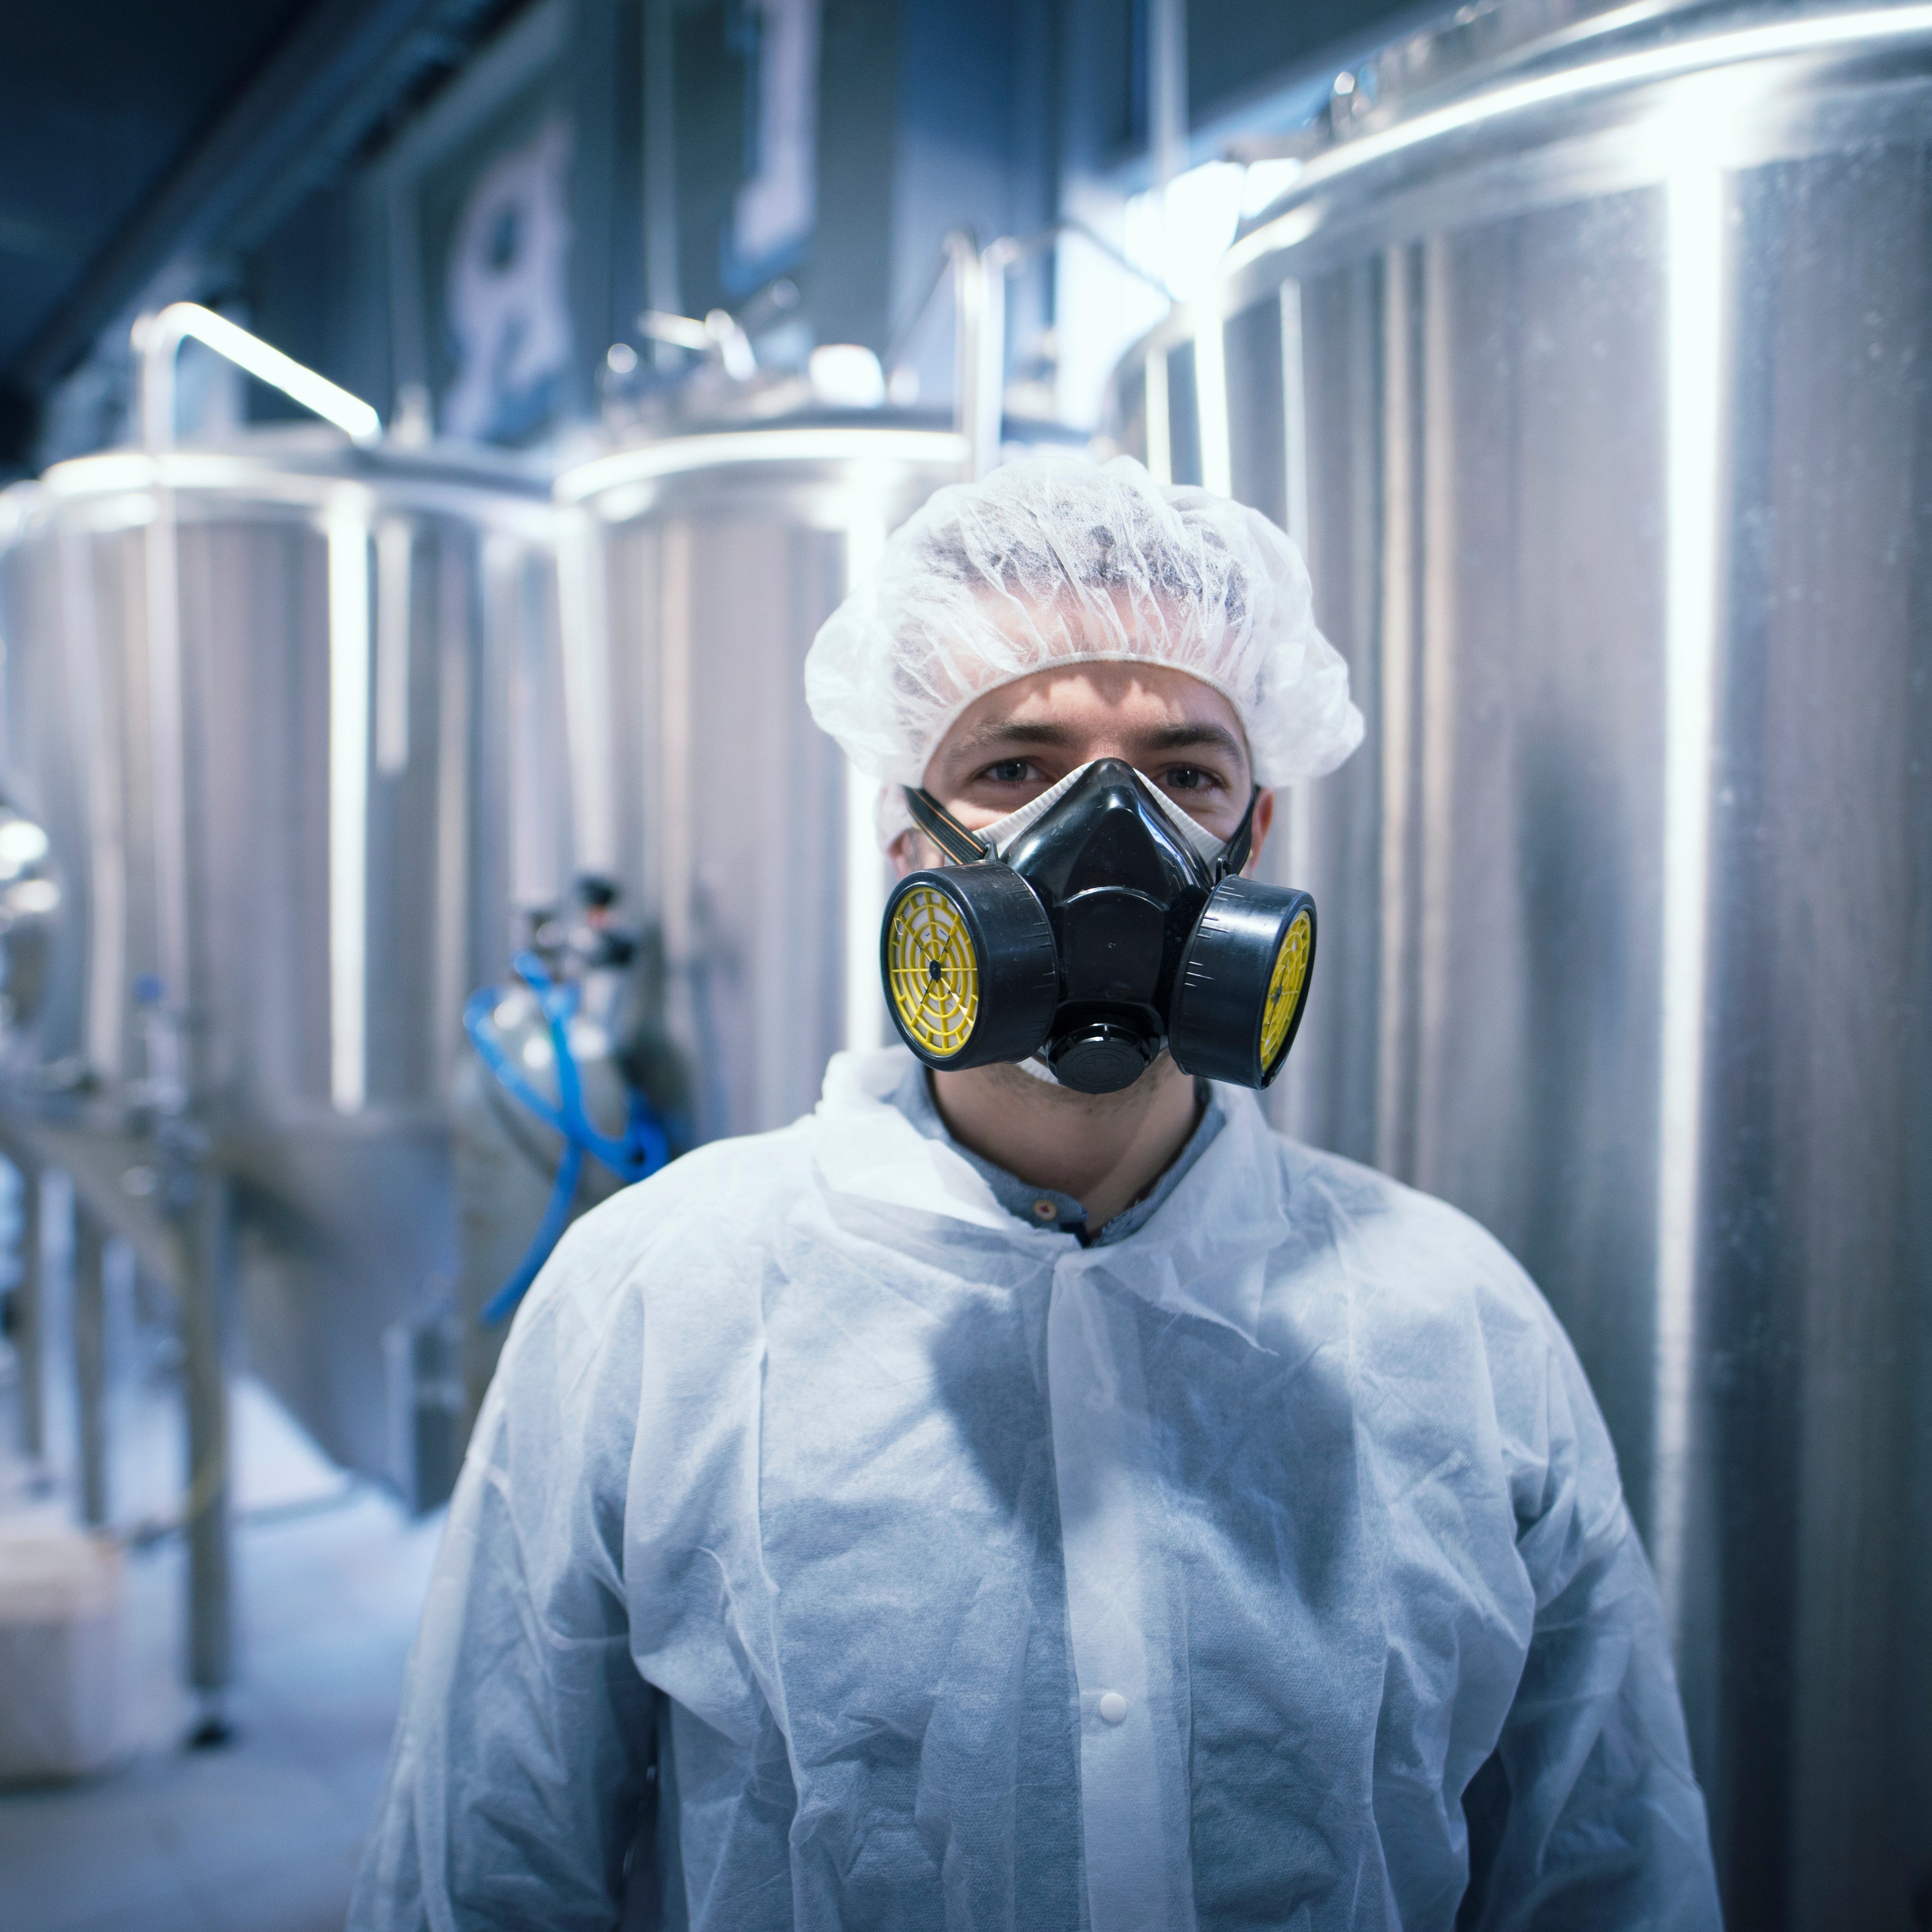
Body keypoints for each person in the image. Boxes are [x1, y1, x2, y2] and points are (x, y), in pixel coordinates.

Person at [350, 458, 1720, 1931]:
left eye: (1186, 775)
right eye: (1016, 769)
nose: (1112, 839)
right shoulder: (658, 1301)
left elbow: (1607, 1866)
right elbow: (486, 1868)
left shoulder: (1453, 1322)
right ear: (909, 838)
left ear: (1253, 842)